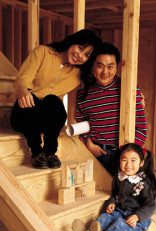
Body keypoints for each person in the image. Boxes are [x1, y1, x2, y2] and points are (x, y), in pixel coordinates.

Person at [10, 29, 102, 169]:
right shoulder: (42, 52)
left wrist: (137, 93)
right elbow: (24, 78)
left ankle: (50, 153)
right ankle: (36, 152)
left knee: (54, 101)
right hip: (23, 115)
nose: (80, 55)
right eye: (80, 48)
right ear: (72, 41)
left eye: (86, 55)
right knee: (33, 99)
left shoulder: (78, 74)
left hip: (45, 122)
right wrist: (23, 90)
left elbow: (102, 82)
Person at [75, 42, 147, 175]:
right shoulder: (82, 93)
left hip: (125, 157)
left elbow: (142, 126)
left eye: (110, 66)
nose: (105, 72)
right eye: (100, 66)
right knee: (100, 194)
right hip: (97, 154)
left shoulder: (128, 88)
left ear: (117, 67)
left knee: (128, 194)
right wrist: (88, 142)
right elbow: (81, 122)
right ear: (92, 65)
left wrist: (130, 152)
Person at [72, 142, 156, 231]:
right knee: (105, 217)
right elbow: (114, 193)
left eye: (133, 160)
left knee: (120, 226)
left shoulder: (145, 183)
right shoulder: (119, 178)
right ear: (119, 161)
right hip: (120, 211)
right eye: (124, 160)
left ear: (141, 163)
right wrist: (112, 202)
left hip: (136, 219)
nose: (128, 164)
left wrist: (137, 216)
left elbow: (151, 205)